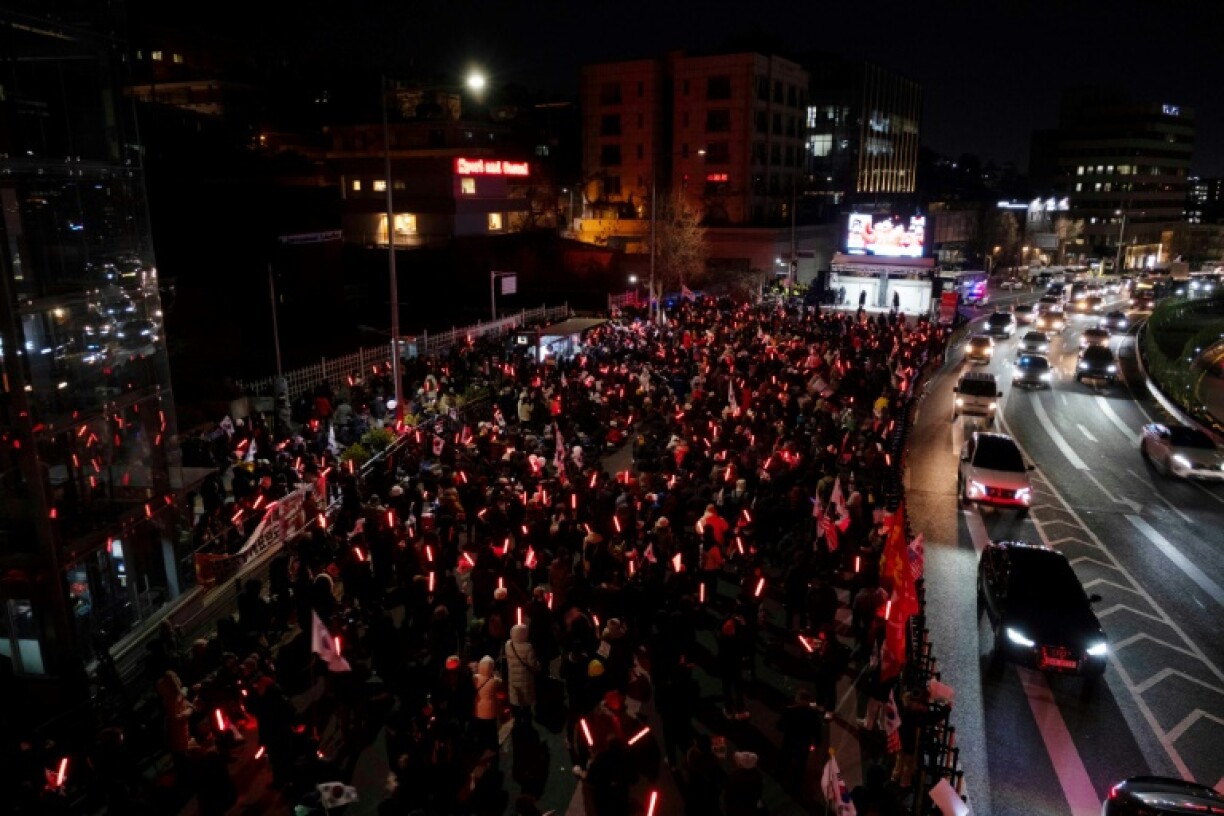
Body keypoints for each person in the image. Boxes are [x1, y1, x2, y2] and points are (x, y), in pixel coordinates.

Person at [505, 623, 541, 725]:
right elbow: (533, 664)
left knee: (515, 700)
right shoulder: (528, 647)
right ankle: (526, 722)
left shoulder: (508, 645)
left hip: (513, 680)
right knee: (526, 704)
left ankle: (517, 721)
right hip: (526, 680)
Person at [471, 656, 503, 765]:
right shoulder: (494, 681)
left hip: (478, 710)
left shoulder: (475, 678)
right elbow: (501, 682)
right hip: (490, 712)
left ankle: (481, 747)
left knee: (481, 730)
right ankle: (493, 748)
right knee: (491, 730)